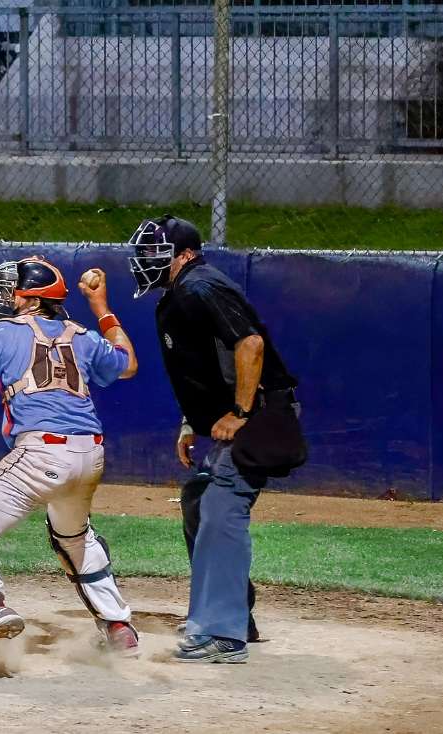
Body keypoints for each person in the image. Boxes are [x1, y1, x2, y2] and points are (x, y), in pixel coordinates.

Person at [0, 256, 141, 655]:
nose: (6, 299)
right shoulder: (82, 335)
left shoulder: (1, 332)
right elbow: (128, 363)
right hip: (91, 454)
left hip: (42, 454)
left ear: (31, 299)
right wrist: (101, 307)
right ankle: (119, 628)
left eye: (13, 293)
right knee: (74, 539)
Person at [128, 216, 300, 663]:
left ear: (185, 254)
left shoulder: (201, 286)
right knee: (199, 500)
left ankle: (222, 634)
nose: (144, 260)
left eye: (155, 252)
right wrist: (192, 422)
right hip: (249, 413)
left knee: (222, 504)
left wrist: (240, 414)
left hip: (261, 415)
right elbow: (205, 368)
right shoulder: (181, 294)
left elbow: (250, 345)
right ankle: (234, 616)